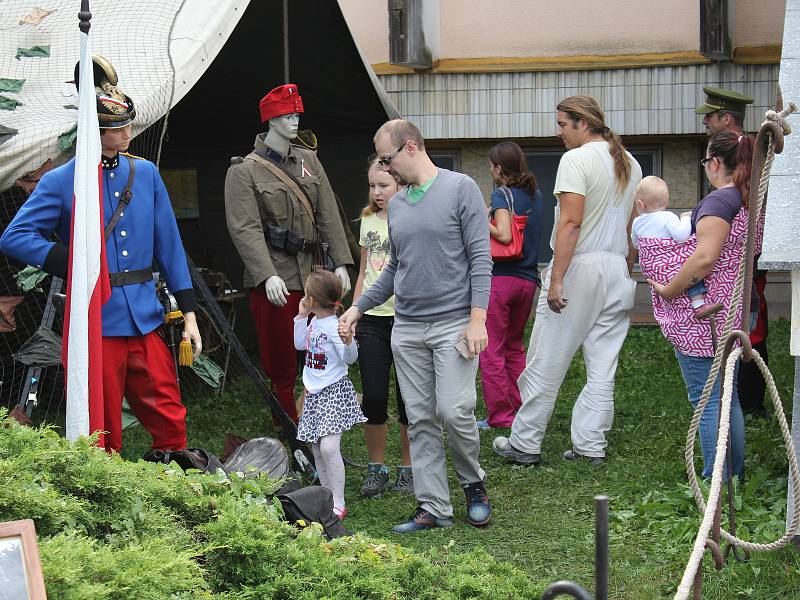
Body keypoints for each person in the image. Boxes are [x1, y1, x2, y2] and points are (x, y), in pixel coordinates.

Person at [0, 56, 201, 454]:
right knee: (101, 425)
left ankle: (180, 481)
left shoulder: (144, 174)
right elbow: (15, 236)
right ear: (95, 130)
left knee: (168, 411)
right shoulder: (62, 180)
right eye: (117, 128)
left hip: (145, 314)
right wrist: (70, 259)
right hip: (96, 319)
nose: (128, 133)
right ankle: (106, 497)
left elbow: (170, 247)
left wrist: (190, 313)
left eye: (128, 124)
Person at [339, 119, 493, 533]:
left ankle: (473, 484)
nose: (385, 171)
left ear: (410, 147)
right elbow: (394, 268)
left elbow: (481, 259)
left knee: (455, 410)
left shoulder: (461, 188)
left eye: (387, 161)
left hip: (454, 324)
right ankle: (433, 506)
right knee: (421, 417)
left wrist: (477, 319)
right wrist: (359, 308)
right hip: (407, 328)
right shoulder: (400, 205)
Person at [493, 95, 641, 466]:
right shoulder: (631, 163)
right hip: (616, 268)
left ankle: (525, 443)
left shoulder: (576, 159)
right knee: (603, 363)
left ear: (582, 123)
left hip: (581, 265)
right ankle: (591, 444)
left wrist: (557, 279)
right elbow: (629, 227)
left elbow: (571, 223)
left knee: (547, 356)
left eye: (562, 124)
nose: (558, 131)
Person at [225, 83, 353, 425]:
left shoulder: (309, 161)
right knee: (281, 364)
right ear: (271, 120)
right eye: (287, 114)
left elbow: (328, 213)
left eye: (297, 113)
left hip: (315, 273)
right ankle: (291, 430)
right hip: (278, 276)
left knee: (324, 353)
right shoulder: (244, 171)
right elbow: (245, 228)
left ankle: (319, 421)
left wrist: (340, 262)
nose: (294, 120)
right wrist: (266, 274)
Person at [645, 131, 754, 479]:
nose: (705, 167)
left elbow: (704, 258)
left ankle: (716, 478)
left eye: (706, 161)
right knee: (728, 398)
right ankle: (733, 474)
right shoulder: (748, 197)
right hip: (731, 309)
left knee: (707, 400)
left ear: (717, 163)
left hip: (701, 317)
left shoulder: (718, 202)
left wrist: (668, 289)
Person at [696, 86, 768, 418]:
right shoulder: (748, 151)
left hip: (738, 257)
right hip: (736, 252)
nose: (706, 123)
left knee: (748, 325)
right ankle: (739, 397)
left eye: (709, 117)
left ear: (726, 118)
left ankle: (747, 399)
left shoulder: (746, 154)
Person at [354, 157, 413, 498]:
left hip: (406, 318)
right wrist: (354, 309)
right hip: (372, 321)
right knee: (374, 396)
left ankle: (409, 467)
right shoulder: (367, 222)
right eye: (372, 186)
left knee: (409, 400)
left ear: (401, 185)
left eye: (384, 186)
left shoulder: (412, 219)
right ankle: (377, 468)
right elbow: (364, 272)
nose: (377, 193)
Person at [478, 141, 543, 430]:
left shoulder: (502, 194)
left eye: (491, 165)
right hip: (528, 281)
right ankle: (524, 409)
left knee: (491, 350)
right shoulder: (536, 195)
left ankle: (501, 417)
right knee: (515, 347)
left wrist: (482, 216)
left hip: (501, 280)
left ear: (499, 168)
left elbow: (504, 236)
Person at [294, 270, 366, 520]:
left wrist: (348, 342)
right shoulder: (314, 322)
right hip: (314, 393)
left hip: (332, 392)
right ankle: (325, 497)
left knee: (329, 447)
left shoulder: (337, 326)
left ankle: (338, 500)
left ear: (312, 299)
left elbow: (351, 359)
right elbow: (300, 344)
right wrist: (301, 318)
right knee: (316, 445)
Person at [631, 176, 720, 319]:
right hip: (670, 267)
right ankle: (698, 305)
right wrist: (685, 218)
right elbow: (682, 236)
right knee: (689, 264)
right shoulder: (668, 217)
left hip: (652, 270)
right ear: (666, 202)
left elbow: (636, 243)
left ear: (640, 204)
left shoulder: (637, 222)